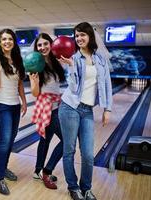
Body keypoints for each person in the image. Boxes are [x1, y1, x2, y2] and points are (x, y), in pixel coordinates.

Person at [58, 22, 113, 200]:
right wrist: (71, 67)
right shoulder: (74, 58)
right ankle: (73, 188)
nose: (79, 38)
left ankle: (86, 188)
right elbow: (73, 88)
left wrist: (107, 109)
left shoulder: (101, 59)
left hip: (87, 110)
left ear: (90, 36)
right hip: (70, 108)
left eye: (82, 34)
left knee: (88, 154)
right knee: (69, 150)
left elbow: (107, 84)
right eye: (76, 35)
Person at [0, 28, 27, 195]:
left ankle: (4, 167)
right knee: (4, 139)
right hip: (1, 104)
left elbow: (20, 83)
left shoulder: (17, 59)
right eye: (4, 39)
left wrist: (24, 101)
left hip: (14, 104)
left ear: (14, 42)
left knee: (11, 140)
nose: (7, 42)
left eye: (10, 39)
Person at [29, 33, 65, 190]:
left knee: (45, 140)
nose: (42, 47)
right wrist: (35, 82)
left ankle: (37, 171)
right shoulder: (35, 64)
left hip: (57, 106)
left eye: (45, 44)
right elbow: (35, 93)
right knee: (67, 141)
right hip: (46, 108)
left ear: (51, 45)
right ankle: (47, 170)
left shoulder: (57, 62)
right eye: (39, 45)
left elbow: (56, 86)